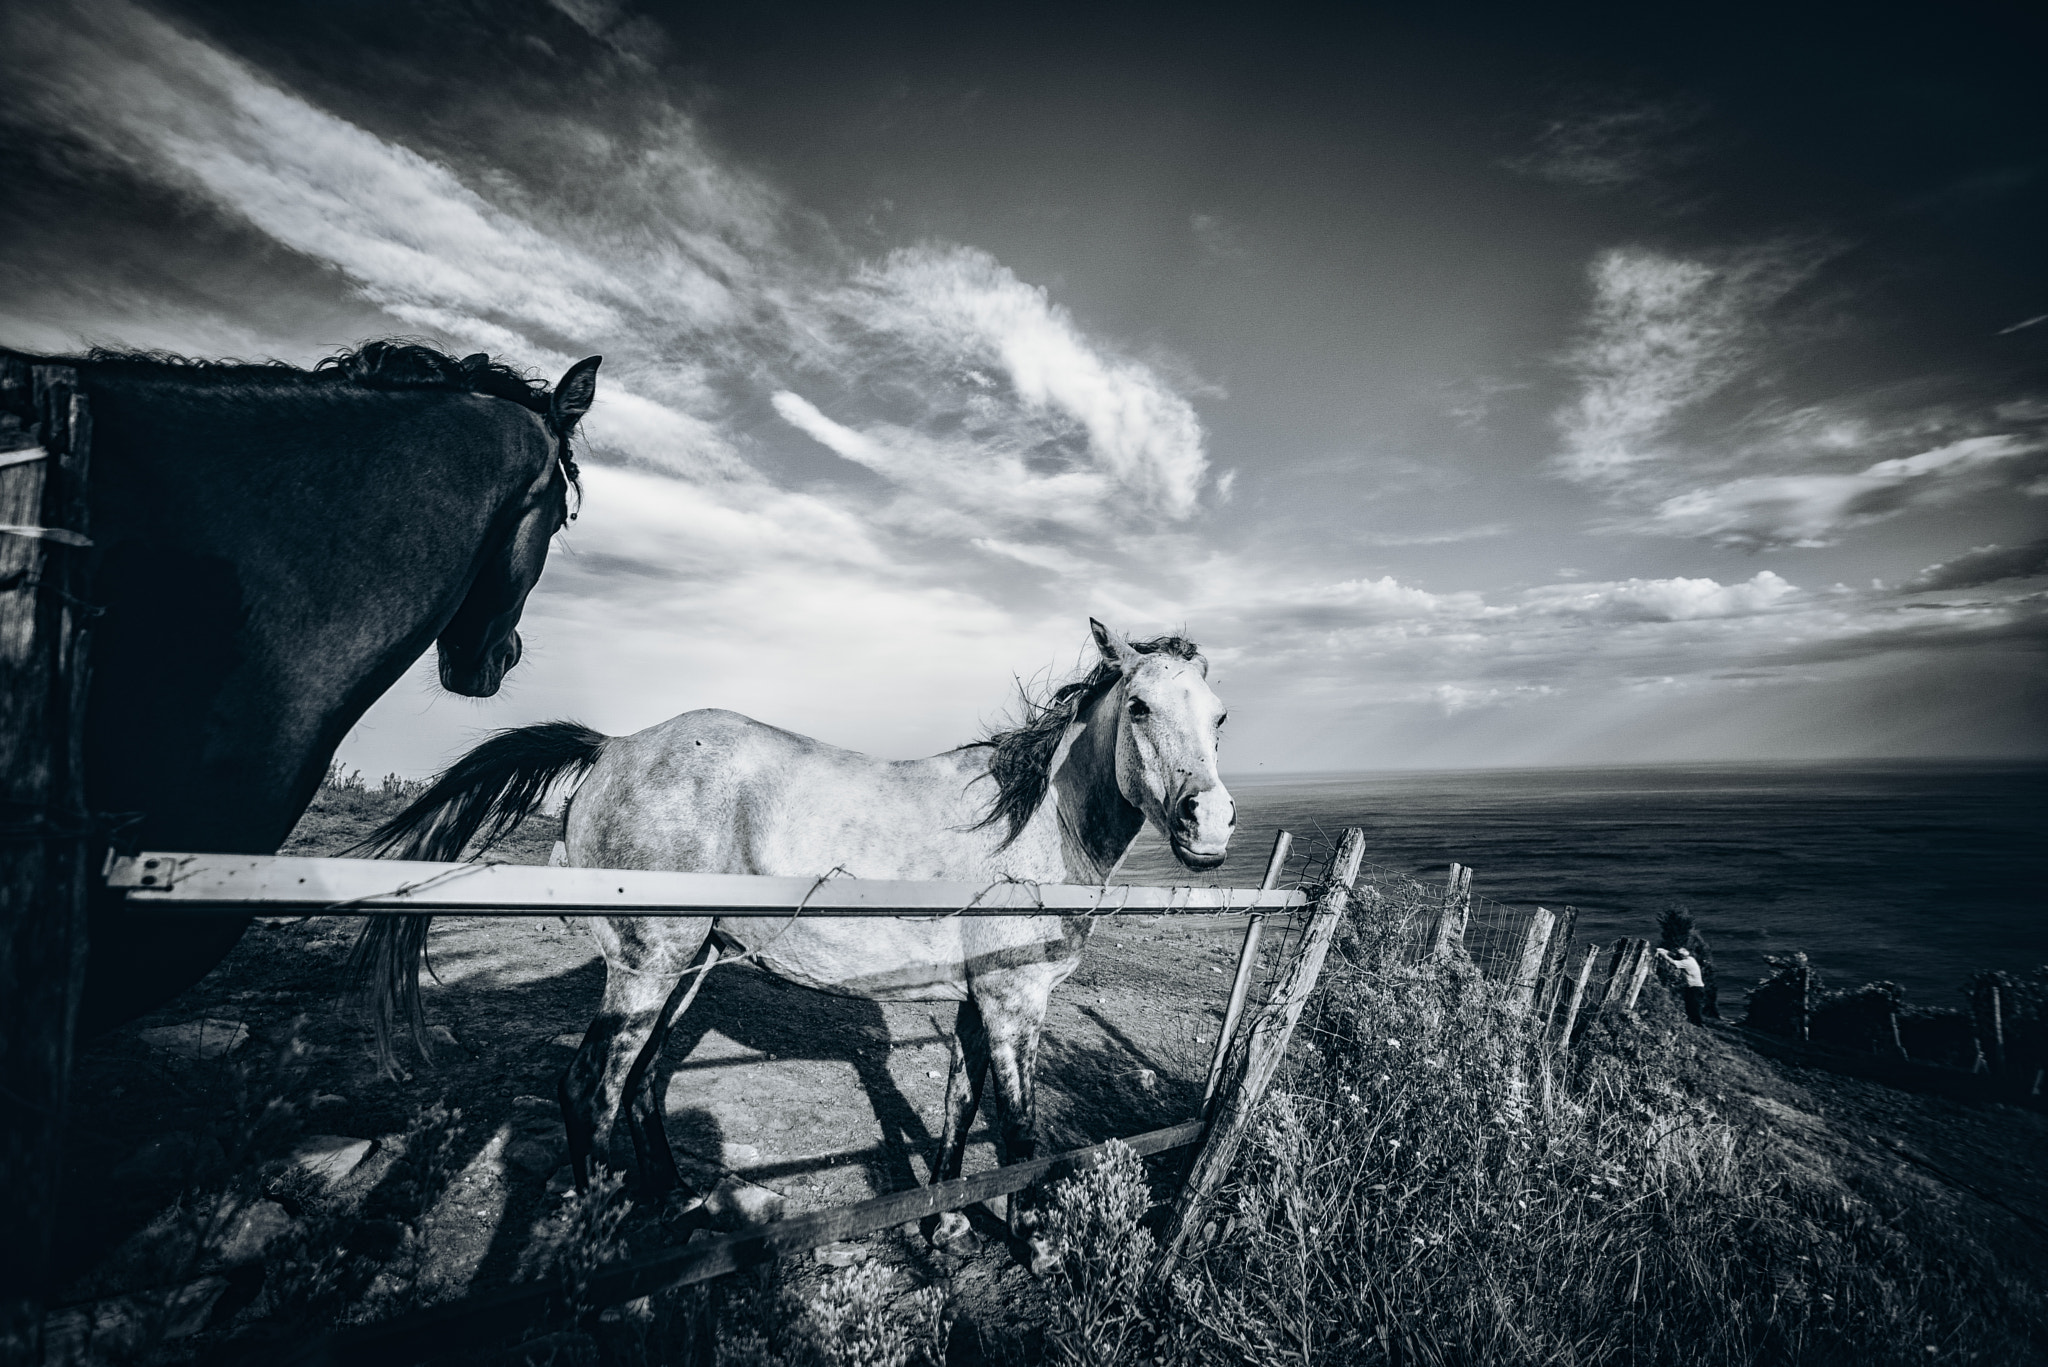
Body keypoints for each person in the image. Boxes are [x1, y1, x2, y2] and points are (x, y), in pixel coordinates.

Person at [1656, 946, 1706, 1025]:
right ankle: (1693, 1023)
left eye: (1678, 954)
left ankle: (1698, 1024)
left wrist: (1664, 955)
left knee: (1694, 1007)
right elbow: (1675, 956)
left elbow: (1673, 962)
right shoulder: (1690, 959)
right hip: (1695, 987)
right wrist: (1666, 951)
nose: (1677, 955)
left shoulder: (1686, 963)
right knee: (1690, 1005)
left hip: (1695, 988)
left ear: (1681, 956)